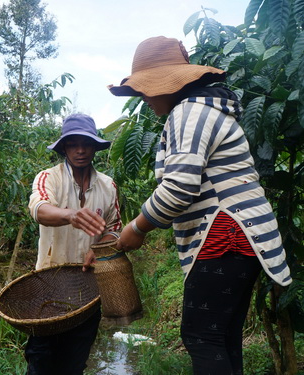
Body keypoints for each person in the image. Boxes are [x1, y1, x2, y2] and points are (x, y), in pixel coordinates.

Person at [107, 36, 292, 374]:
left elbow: (179, 187)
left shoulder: (189, 113)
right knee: (221, 336)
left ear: (168, 84)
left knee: (201, 337)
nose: (144, 98)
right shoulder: (203, 108)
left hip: (226, 234)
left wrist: (137, 228)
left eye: (146, 88)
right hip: (242, 236)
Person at [26, 113, 122, 375]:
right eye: (73, 144)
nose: (80, 150)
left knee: (75, 361)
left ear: (94, 147)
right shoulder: (49, 178)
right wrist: (70, 214)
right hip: (48, 284)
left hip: (87, 288)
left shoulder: (107, 186)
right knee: (40, 359)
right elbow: (39, 209)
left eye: (86, 144)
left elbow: (114, 229)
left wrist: (97, 249)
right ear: (64, 148)